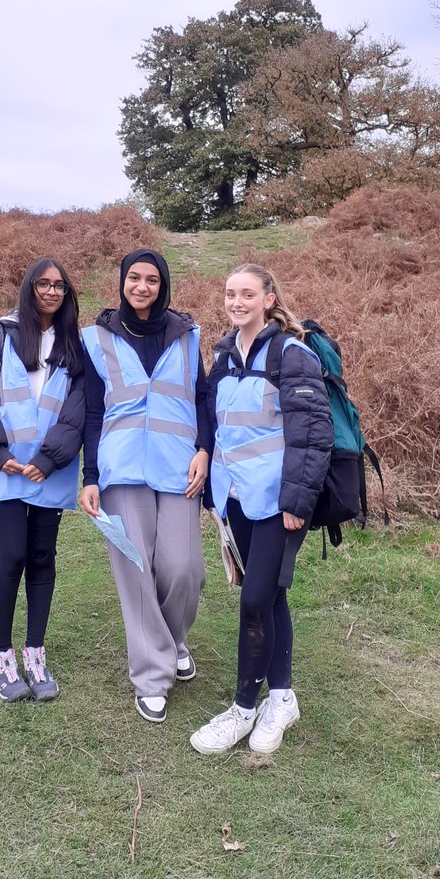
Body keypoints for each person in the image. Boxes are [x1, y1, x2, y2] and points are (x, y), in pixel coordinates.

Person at [191, 264, 333, 755]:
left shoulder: (292, 354)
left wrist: (297, 501)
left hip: (278, 503)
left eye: (247, 294)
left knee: (254, 602)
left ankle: (243, 709)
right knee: (269, 598)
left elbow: (314, 434)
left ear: (268, 299)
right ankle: (283, 697)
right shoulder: (224, 353)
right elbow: (212, 421)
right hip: (237, 499)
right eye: (230, 293)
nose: (236, 301)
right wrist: (211, 480)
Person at [79, 249, 209, 723]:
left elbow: (201, 398)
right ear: (122, 282)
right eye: (134, 277)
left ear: (163, 285)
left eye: (152, 279)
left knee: (184, 568)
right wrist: (90, 476)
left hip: (179, 468)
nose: (142, 286)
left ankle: (173, 641)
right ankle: (152, 675)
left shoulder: (188, 335)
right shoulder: (95, 339)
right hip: (120, 469)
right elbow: (92, 413)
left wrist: (205, 449)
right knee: (136, 570)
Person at [0, 259, 85, 702]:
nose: (51, 292)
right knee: (12, 555)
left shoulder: (76, 344)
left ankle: (35, 652)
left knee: (42, 557)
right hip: (7, 469)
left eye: (59, 286)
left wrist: (50, 460)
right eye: (43, 284)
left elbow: (78, 409)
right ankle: (2, 656)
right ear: (28, 288)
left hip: (53, 470)